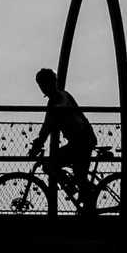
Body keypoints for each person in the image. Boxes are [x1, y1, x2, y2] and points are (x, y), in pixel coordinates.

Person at [27, 67, 98, 211]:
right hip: (82, 139)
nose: (43, 88)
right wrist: (40, 140)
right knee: (75, 173)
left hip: (82, 140)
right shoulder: (60, 96)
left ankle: (82, 194)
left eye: (43, 84)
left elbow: (49, 124)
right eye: (41, 84)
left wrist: (38, 143)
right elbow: (47, 124)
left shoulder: (58, 100)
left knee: (58, 166)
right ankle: (84, 195)